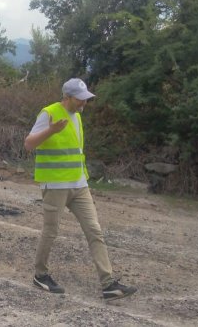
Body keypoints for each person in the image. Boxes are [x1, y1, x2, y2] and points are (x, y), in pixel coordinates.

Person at [23, 78, 137, 301]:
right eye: (81, 98)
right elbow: (29, 144)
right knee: (51, 231)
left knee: (94, 231)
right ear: (67, 97)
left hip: (79, 185)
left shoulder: (77, 116)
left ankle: (108, 284)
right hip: (55, 184)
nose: (85, 102)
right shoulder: (49, 113)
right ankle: (40, 275)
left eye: (86, 98)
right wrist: (52, 131)